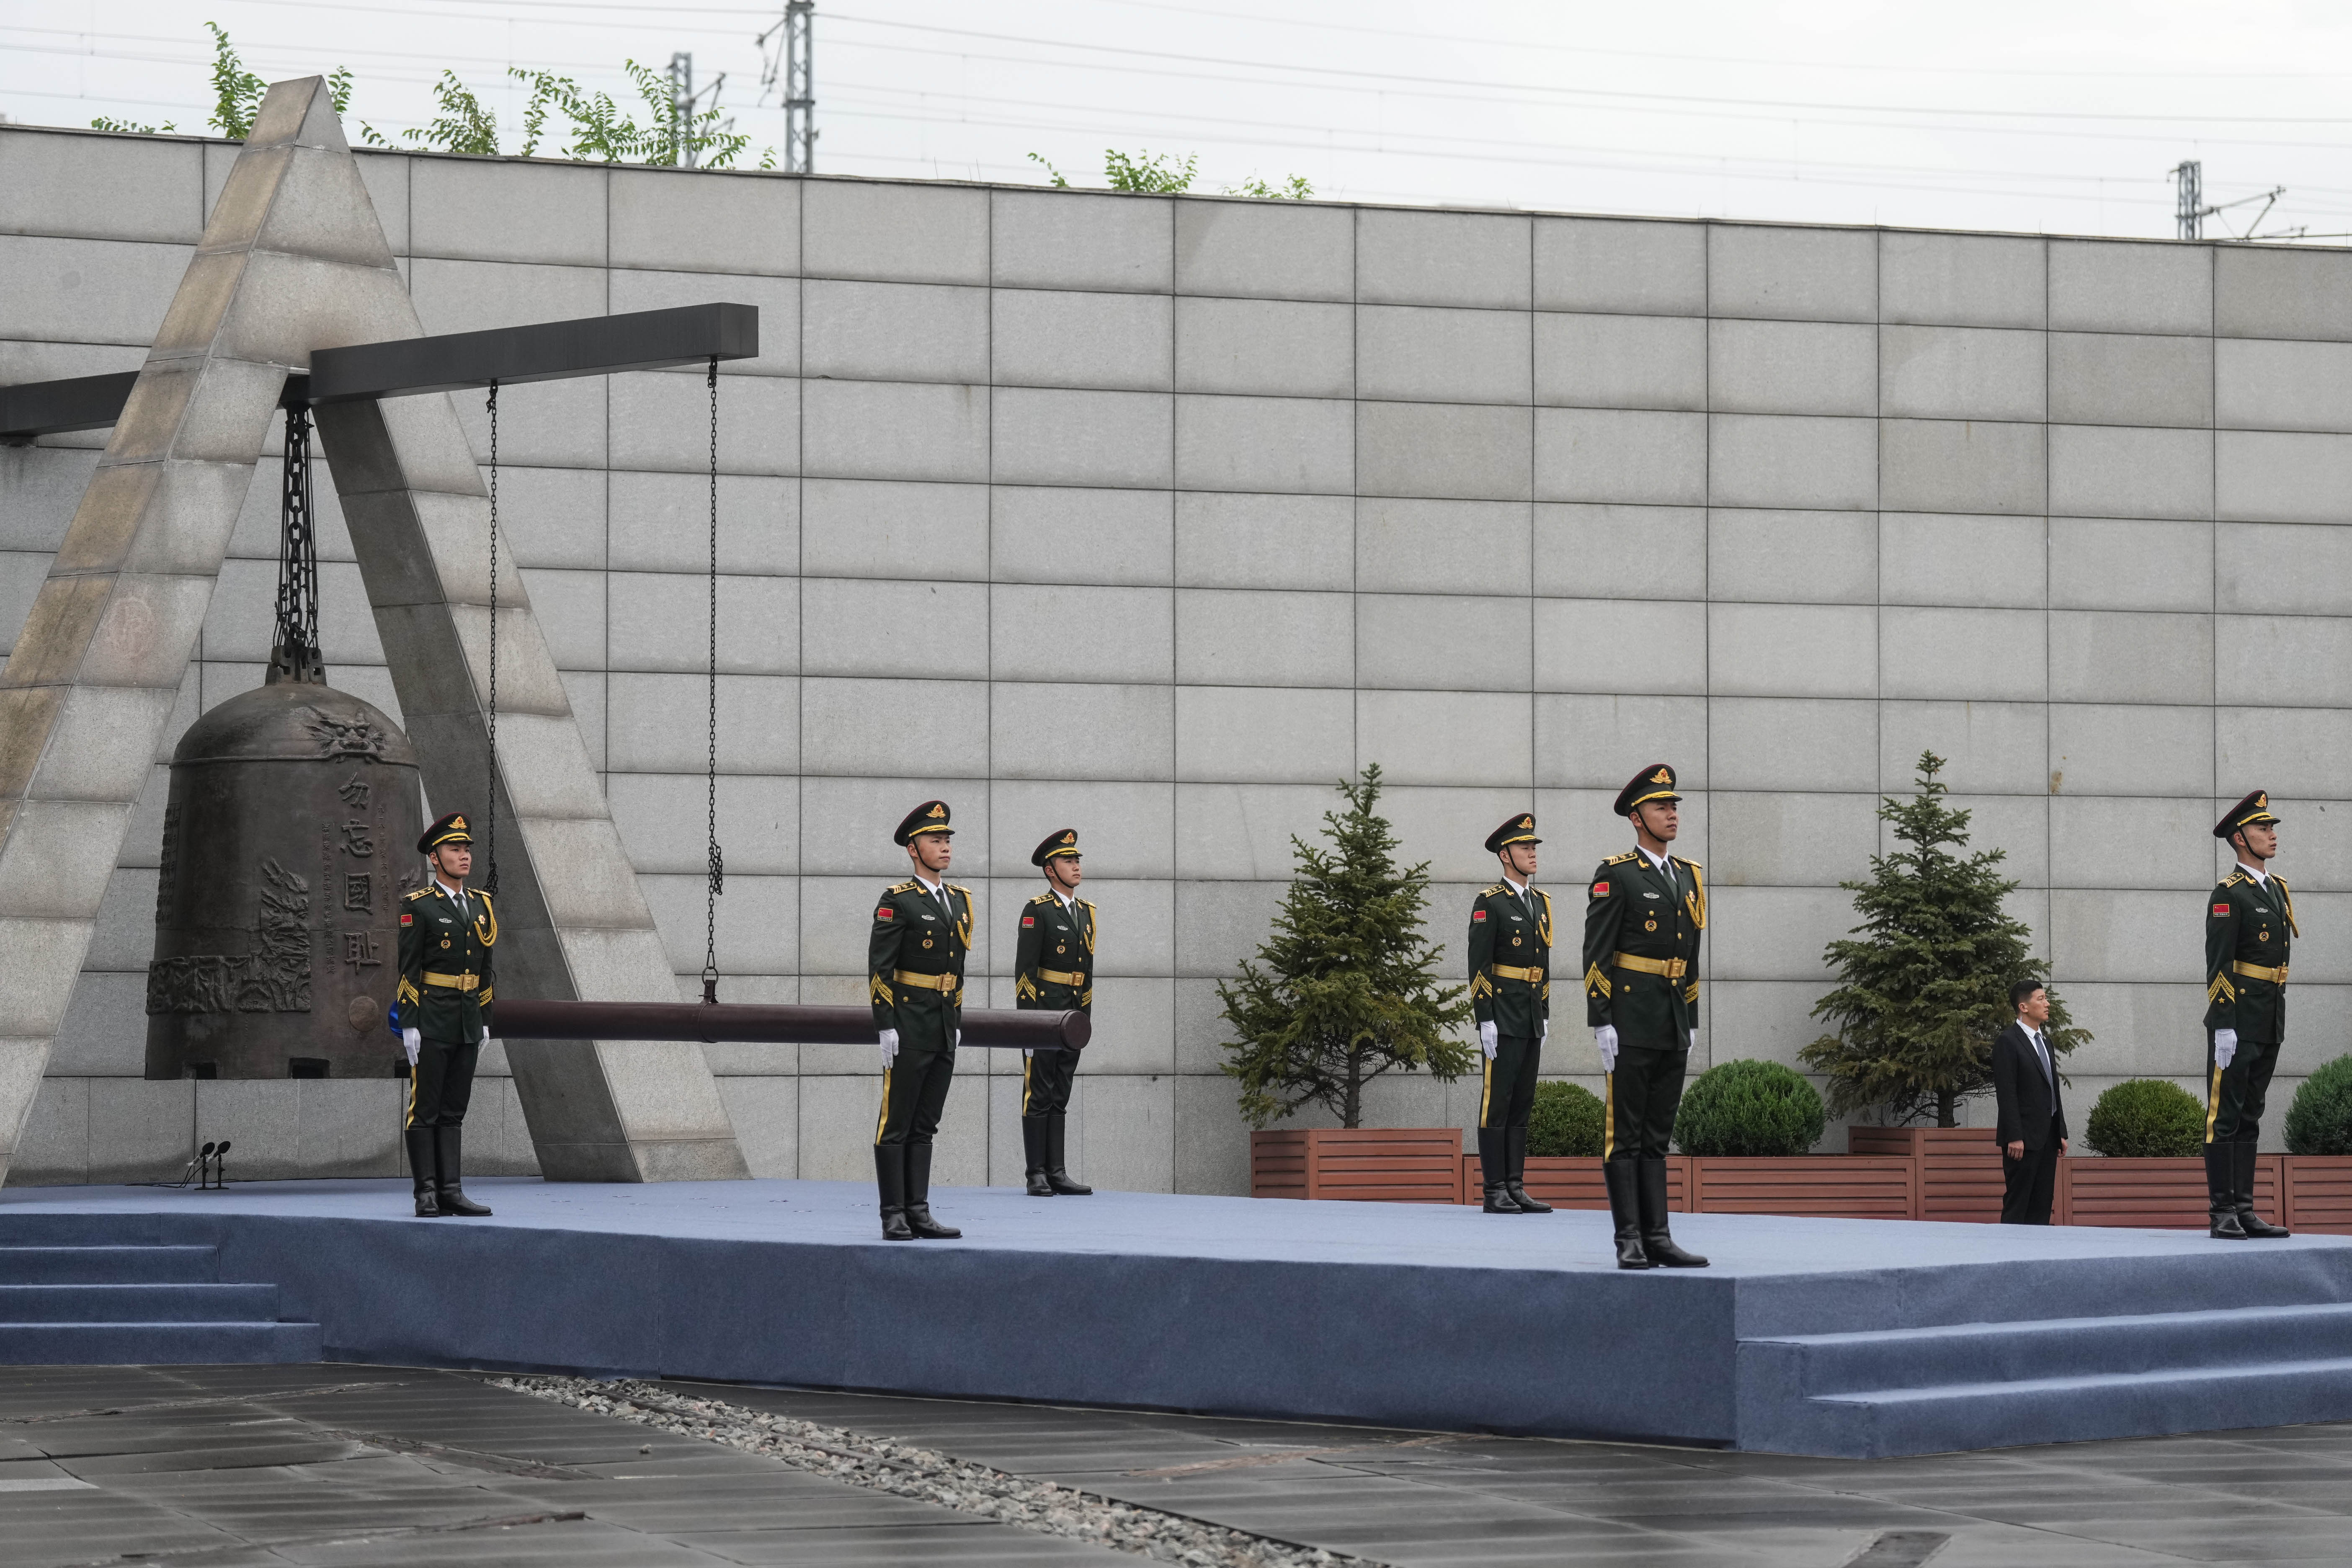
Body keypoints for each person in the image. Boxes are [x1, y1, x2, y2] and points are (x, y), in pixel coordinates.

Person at [1583, 764, 1707, 1270]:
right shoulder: (1617, 874)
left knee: (1658, 1134)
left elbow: (1691, 954)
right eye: (1661, 807)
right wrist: (1602, 1020)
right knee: (1626, 1134)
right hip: (1631, 1019)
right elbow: (1596, 952)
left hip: (1672, 1018)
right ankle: (1628, 1239)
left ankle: (1658, 1236)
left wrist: (1691, 1016)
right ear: (1637, 818)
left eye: (1674, 806)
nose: (1672, 814)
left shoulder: (1689, 875)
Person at [868, 800, 972, 1241]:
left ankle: (919, 1211)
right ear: (913, 849)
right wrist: (885, 1024)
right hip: (909, 1024)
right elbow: (880, 968)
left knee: (926, 1124)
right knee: (897, 1122)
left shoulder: (959, 901)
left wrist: (956, 1018)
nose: (945, 847)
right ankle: (893, 1213)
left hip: (943, 1024)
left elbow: (957, 969)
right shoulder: (898, 900)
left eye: (947, 840)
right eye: (935, 840)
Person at [393, 812, 496, 1220]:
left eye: (467, 849)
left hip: (467, 1020)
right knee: (425, 1109)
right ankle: (426, 1193)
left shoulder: (481, 904)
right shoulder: (418, 906)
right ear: (435, 858)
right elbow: (408, 971)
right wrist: (409, 1024)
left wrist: (485, 1018)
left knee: (454, 1110)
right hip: (432, 1018)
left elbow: (486, 968)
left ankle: (451, 1191)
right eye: (455, 849)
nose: (464, 855)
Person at [2204, 790, 2295, 1240]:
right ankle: (2222, 1212)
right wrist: (2223, 1023)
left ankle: (2244, 1209)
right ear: (2241, 838)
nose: (2272, 834)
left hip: (2267, 1019)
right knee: (2225, 1117)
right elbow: (2219, 963)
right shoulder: (2229, 894)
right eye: (2263, 828)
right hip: (2237, 1021)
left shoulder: (2275, 889)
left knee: (2251, 1115)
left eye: (2272, 827)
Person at [1465, 813, 1555, 1216]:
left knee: (1522, 1102)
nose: (1532, 853)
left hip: (1531, 1014)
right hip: (1502, 1015)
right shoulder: (1490, 902)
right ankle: (1494, 1190)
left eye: (1534, 847)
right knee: (1497, 1102)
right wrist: (1485, 1017)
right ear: (1505, 855)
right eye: (1524, 847)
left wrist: (1545, 1012)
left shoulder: (1541, 903)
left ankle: (1516, 1187)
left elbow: (1543, 964)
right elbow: (1479, 965)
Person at [1014, 828, 1094, 1197]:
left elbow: (1087, 972)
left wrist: (1084, 1019)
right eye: (1068, 861)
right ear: (1050, 870)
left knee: (1061, 1090)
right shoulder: (1038, 910)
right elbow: (1025, 972)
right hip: (1044, 1013)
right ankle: (1036, 1174)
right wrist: (1027, 1025)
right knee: (1039, 1091)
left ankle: (1057, 1172)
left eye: (1077, 860)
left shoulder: (1086, 913)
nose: (1076, 866)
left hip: (1072, 1014)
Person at [1991, 980, 2068, 1225]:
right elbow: (2007, 1093)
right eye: (2041, 999)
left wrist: (2060, 1132)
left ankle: (2038, 1250)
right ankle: (2009, 1249)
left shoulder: (2046, 1043)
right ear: (2023, 1007)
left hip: (2048, 1139)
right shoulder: (2008, 1041)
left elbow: (2052, 1090)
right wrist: (2015, 1136)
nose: (2047, 1004)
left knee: (2042, 1204)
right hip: (2022, 1141)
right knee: (2018, 1204)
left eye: (2046, 998)